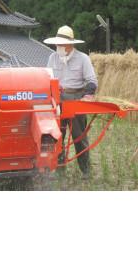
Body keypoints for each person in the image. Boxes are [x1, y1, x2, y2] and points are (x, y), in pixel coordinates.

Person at [44, 25, 98, 178]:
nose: (58, 46)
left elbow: (92, 81)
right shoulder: (52, 58)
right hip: (57, 100)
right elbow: (47, 78)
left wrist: (87, 97)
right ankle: (60, 169)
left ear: (70, 45)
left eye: (61, 44)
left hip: (76, 99)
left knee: (79, 137)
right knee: (57, 137)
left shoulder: (83, 59)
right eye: (57, 43)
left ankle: (86, 171)